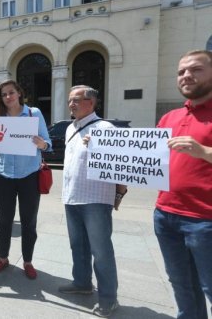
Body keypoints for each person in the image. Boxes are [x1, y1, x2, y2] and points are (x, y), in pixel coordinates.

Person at [58, 85, 126, 317]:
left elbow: (118, 164)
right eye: (69, 100)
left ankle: (109, 298)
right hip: (72, 196)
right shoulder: (70, 128)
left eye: (76, 100)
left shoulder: (105, 128)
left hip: (96, 199)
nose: (71, 104)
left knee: (101, 250)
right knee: (78, 245)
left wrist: (118, 194)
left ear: (91, 103)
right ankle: (82, 283)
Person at [154, 50, 212, 319]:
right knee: (182, 287)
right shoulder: (170, 117)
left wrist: (205, 152)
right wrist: (98, 148)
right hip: (165, 216)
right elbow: (145, 157)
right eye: (181, 72)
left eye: (196, 69)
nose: (187, 75)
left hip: (205, 220)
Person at [0, 79, 51, 280]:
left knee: (29, 221)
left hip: (28, 174)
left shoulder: (34, 113)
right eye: (4, 95)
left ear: (19, 93)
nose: (8, 97)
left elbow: (48, 143)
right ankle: (3, 258)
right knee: (4, 220)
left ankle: (28, 261)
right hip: (3, 175)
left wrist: (42, 144)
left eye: (11, 93)